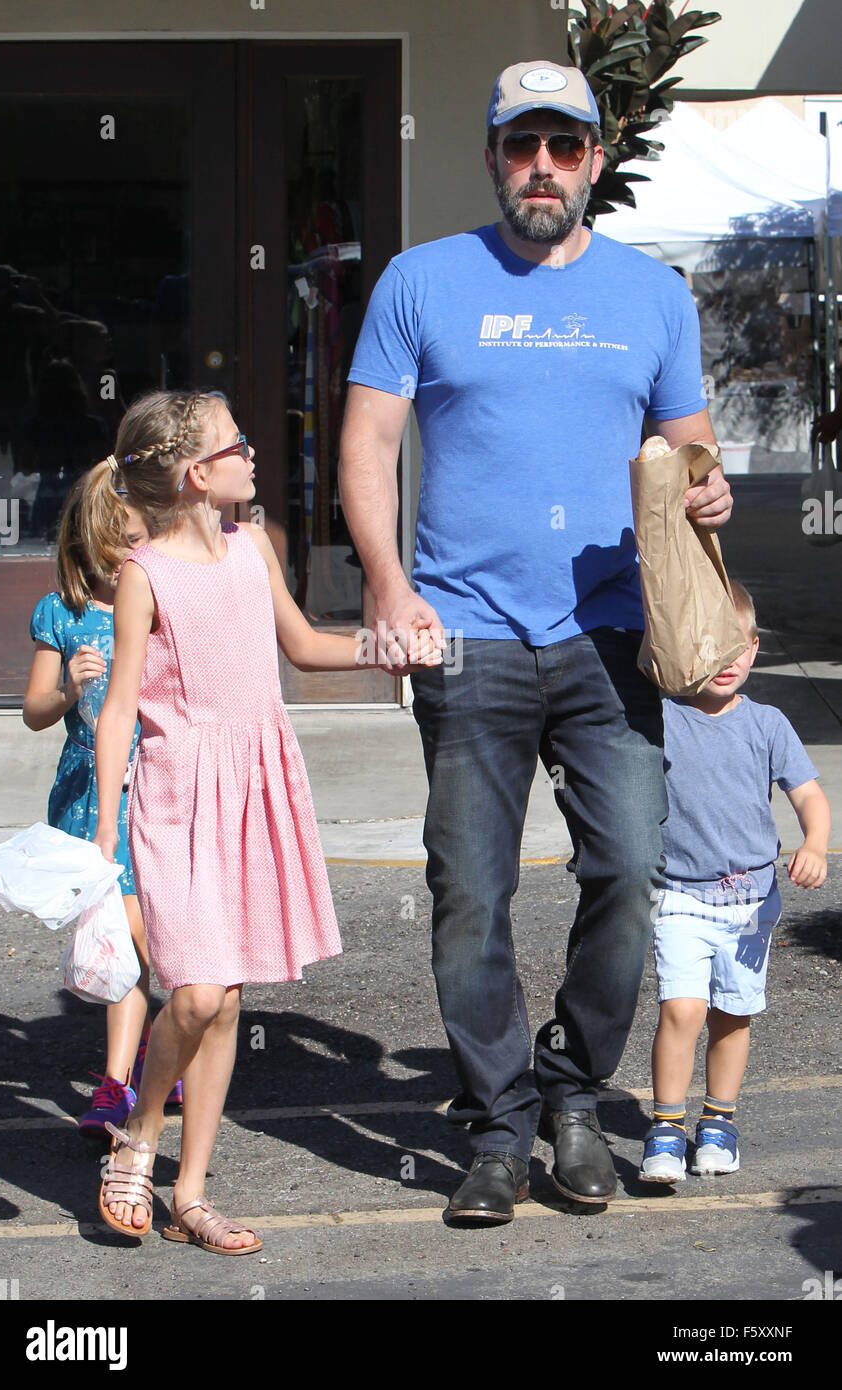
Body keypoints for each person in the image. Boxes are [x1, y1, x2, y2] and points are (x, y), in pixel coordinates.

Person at [339, 59, 734, 1224]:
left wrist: (709, 510)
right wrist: (385, 585)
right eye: (523, 146)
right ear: (494, 158)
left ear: (594, 162)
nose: (543, 168)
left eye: (564, 146)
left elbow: (689, 458)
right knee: (471, 889)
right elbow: (366, 447)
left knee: (625, 867)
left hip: (614, 635)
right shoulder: (421, 282)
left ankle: (573, 1091)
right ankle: (501, 1124)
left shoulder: (652, 295)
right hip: (463, 634)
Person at [92, 389, 440, 1252]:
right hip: (179, 791)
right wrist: (103, 833)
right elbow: (117, 709)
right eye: (236, 444)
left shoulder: (256, 550)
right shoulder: (146, 574)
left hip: (255, 782)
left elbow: (305, 645)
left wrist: (384, 645)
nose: (254, 452)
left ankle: (193, 1192)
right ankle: (139, 1133)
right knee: (198, 990)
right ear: (194, 473)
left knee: (227, 994)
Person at [640, 581, 829, 1183]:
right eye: (709, 647)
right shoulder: (661, 716)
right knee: (682, 1009)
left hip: (752, 904)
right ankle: (666, 1127)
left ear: (754, 647)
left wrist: (816, 844)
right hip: (680, 895)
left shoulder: (768, 723)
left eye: (738, 646)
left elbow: (809, 797)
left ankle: (718, 1122)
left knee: (732, 1014)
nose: (727, 662)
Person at [22, 464, 165, 1135]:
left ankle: (157, 1060)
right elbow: (33, 711)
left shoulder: (163, 606)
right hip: (90, 796)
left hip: (159, 787)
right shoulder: (62, 613)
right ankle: (117, 1082)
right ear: (87, 547)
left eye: (133, 548)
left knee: (147, 937)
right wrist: (69, 692)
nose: (123, 565)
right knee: (124, 937)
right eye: (112, 552)